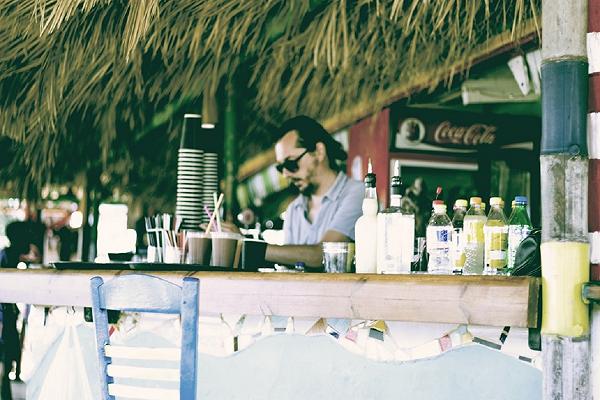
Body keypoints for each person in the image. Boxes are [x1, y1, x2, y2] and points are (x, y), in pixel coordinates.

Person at [223, 116, 363, 267]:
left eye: (291, 163)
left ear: (319, 152)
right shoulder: (293, 210)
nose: (285, 174)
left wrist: (248, 246)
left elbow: (321, 255)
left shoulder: (358, 194)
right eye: (280, 167)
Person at [0, 221, 30, 399]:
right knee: (6, 353)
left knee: (9, 353)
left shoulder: (10, 254)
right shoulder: (7, 255)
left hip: (7, 312)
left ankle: (6, 392)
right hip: (3, 314)